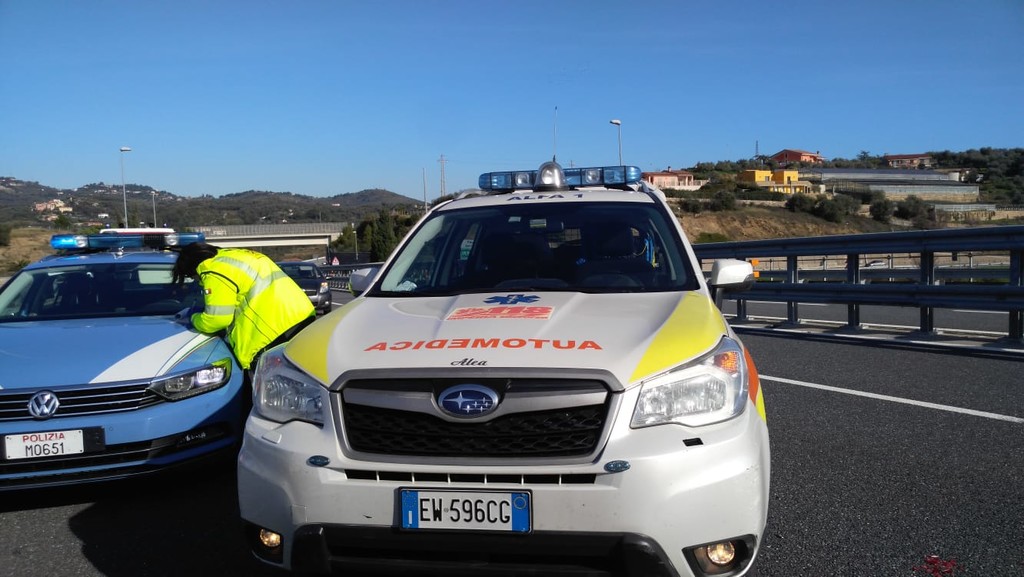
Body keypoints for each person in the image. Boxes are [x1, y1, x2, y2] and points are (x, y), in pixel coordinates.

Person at [171, 242, 315, 372]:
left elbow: (217, 320)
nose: (197, 281)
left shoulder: (213, 270)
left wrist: (193, 318)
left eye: (193, 277)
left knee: (279, 388)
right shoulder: (236, 256)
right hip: (302, 317)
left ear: (192, 269)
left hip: (275, 332)